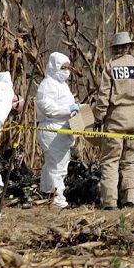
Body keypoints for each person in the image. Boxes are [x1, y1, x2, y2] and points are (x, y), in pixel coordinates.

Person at [93, 32, 134, 209]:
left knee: (111, 161)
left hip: (116, 119)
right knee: (131, 161)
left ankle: (110, 202)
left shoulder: (111, 66)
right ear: (128, 47)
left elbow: (103, 95)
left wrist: (99, 117)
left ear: (115, 49)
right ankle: (129, 199)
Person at [36, 52, 79, 208]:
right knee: (57, 166)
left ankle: (48, 193)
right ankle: (56, 197)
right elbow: (47, 108)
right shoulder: (47, 85)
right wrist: (69, 109)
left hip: (62, 129)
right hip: (52, 129)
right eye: (63, 67)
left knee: (55, 164)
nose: (66, 71)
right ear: (54, 67)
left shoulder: (63, 85)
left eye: (68, 67)